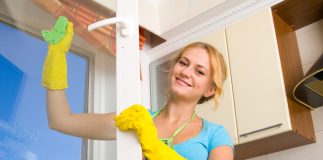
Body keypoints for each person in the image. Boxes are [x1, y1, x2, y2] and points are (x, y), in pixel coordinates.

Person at [43, 17, 234, 160]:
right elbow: (60, 121)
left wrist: (151, 142)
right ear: (172, 70)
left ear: (210, 90)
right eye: (183, 63)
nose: (186, 72)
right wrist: (56, 56)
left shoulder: (215, 135)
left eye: (199, 72)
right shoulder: (137, 120)